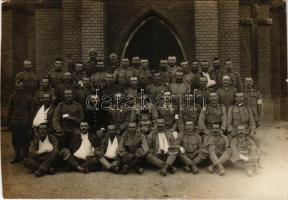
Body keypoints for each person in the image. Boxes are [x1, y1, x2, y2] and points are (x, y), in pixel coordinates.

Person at [7, 81, 35, 163]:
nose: (20, 88)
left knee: (25, 140)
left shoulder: (29, 97)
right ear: (15, 87)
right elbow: (9, 110)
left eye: (21, 86)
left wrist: (30, 122)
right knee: (15, 140)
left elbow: (31, 111)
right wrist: (9, 122)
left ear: (24, 87)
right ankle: (17, 156)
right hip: (15, 122)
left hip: (25, 122)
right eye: (18, 86)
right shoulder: (12, 97)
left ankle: (25, 156)